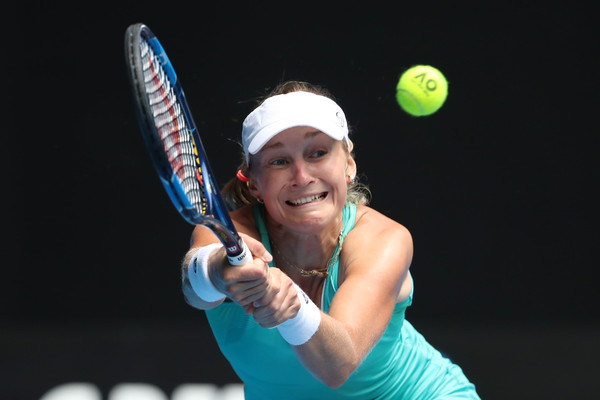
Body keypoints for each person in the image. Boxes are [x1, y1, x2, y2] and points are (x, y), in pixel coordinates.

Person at [182, 81, 480, 399]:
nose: (301, 176)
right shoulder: (227, 232)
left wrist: (291, 307)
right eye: (278, 161)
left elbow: (337, 367)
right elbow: (195, 290)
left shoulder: (383, 239)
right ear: (254, 183)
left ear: (348, 164)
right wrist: (218, 271)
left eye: (318, 153)